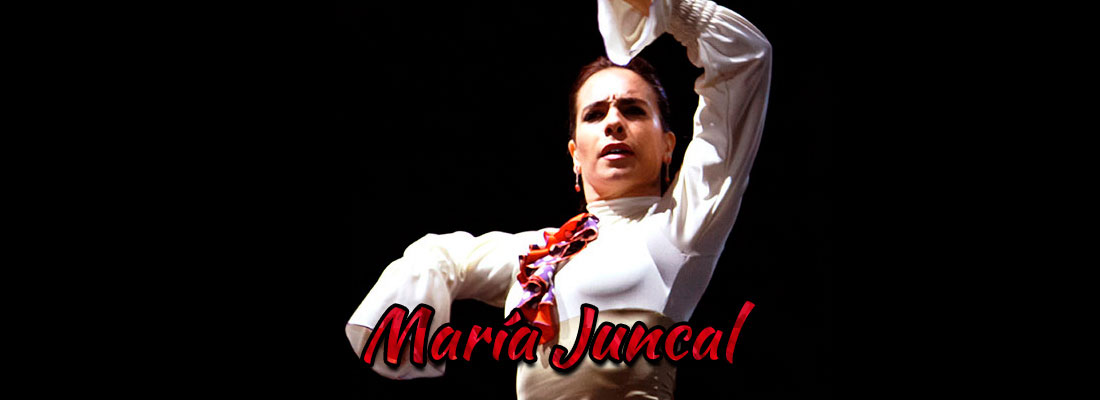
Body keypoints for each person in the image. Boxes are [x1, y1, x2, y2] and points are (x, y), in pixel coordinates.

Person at [346, 0, 771, 398]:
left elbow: (745, 62)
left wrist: (672, 9)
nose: (614, 123)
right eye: (595, 114)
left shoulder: (677, 228)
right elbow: (448, 256)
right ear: (574, 156)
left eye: (633, 110)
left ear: (668, 146)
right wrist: (425, 273)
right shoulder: (541, 253)